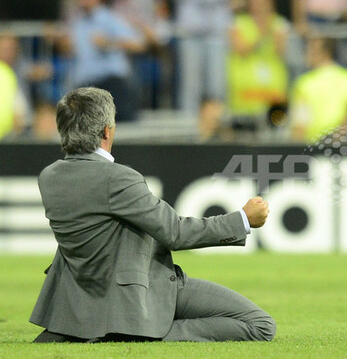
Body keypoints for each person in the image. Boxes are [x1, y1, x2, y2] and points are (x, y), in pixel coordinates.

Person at [30, 87, 275, 343]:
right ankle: (142, 334)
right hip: (140, 293)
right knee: (261, 325)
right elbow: (175, 232)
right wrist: (243, 219)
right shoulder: (117, 178)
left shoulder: (50, 177)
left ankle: (119, 329)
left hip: (82, 300)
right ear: (106, 130)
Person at [61, 0, 146, 122]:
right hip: (86, 86)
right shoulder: (78, 23)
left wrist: (109, 42)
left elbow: (138, 43)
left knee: (120, 128)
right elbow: (72, 52)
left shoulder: (109, 19)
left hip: (110, 84)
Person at [170, 0, 245, 116]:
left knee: (217, 86)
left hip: (217, 34)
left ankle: (217, 126)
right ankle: (187, 130)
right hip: (190, 32)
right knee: (190, 87)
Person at [289, 37, 347, 141]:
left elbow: (300, 125)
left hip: (314, 147)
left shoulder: (304, 83)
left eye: (309, 49)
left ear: (323, 52)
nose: (305, 54)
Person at [228, 0, 290, 123]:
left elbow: (281, 50)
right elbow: (241, 49)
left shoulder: (279, 23)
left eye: (261, 2)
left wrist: (269, 26)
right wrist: (261, 34)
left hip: (272, 90)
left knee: (275, 125)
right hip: (246, 92)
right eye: (254, 2)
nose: (257, 6)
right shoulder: (238, 23)